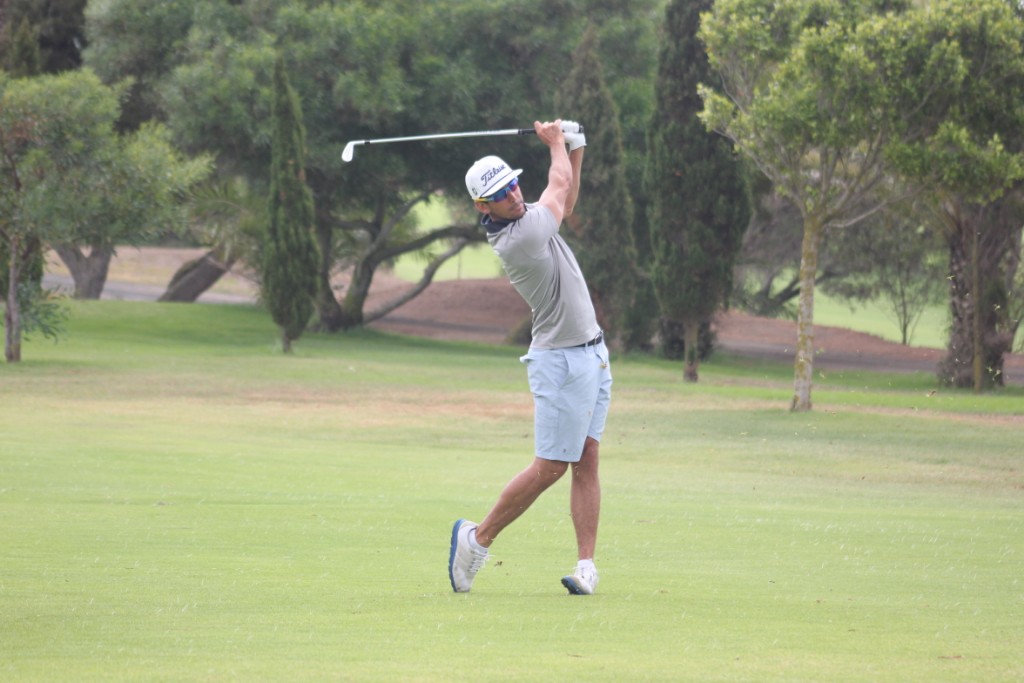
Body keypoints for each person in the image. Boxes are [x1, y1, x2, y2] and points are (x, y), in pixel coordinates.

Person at [448, 119, 612, 595]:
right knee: (550, 468)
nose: (515, 195)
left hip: (593, 353)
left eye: (515, 184)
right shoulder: (519, 239)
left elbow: (567, 195)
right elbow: (558, 186)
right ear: (484, 206)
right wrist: (557, 143)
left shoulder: (528, 219)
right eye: (502, 193)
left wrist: (575, 145)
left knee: (587, 458)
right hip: (559, 361)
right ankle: (475, 541)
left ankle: (586, 566)